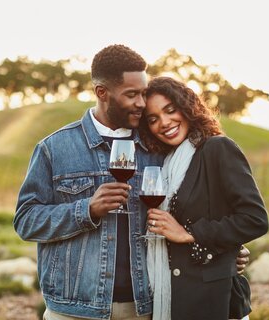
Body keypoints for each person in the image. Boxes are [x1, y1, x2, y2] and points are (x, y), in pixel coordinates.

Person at [14, 44, 251, 320]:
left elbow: (197, 210)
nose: (141, 102)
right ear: (102, 93)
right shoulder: (55, 148)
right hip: (74, 309)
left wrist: (223, 248)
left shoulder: (158, 147)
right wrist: (86, 210)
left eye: (143, 92)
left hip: (145, 307)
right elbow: (26, 220)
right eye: (131, 95)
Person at [138, 76, 269, 320]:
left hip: (212, 299)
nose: (164, 123)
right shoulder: (164, 164)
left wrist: (190, 233)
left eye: (170, 110)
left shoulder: (217, 148)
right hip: (172, 298)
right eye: (153, 119)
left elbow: (255, 219)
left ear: (187, 108)